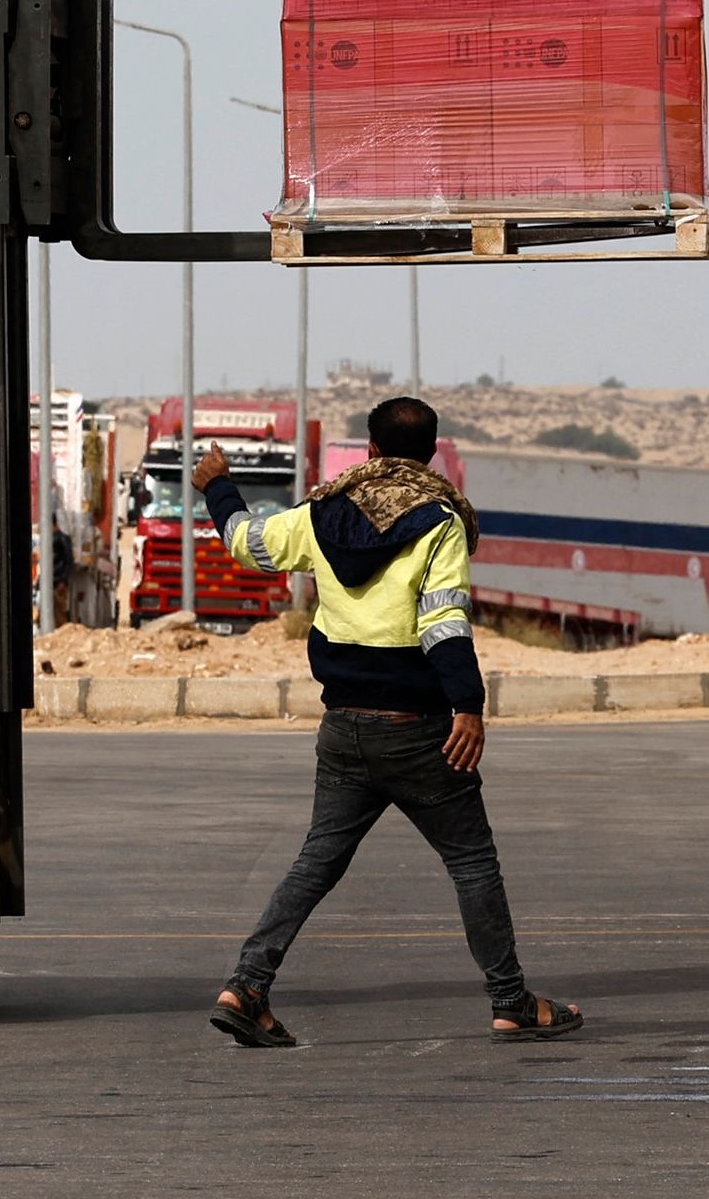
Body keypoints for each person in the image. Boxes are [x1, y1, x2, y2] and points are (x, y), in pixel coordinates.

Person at [199, 395, 580, 1050]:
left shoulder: (321, 512)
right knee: (472, 864)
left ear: (369, 451)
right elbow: (442, 620)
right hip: (417, 729)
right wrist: (468, 705)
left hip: (344, 727)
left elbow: (247, 543)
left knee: (316, 864)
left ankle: (246, 987)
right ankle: (511, 1001)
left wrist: (220, 487)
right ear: (431, 453)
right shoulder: (438, 521)